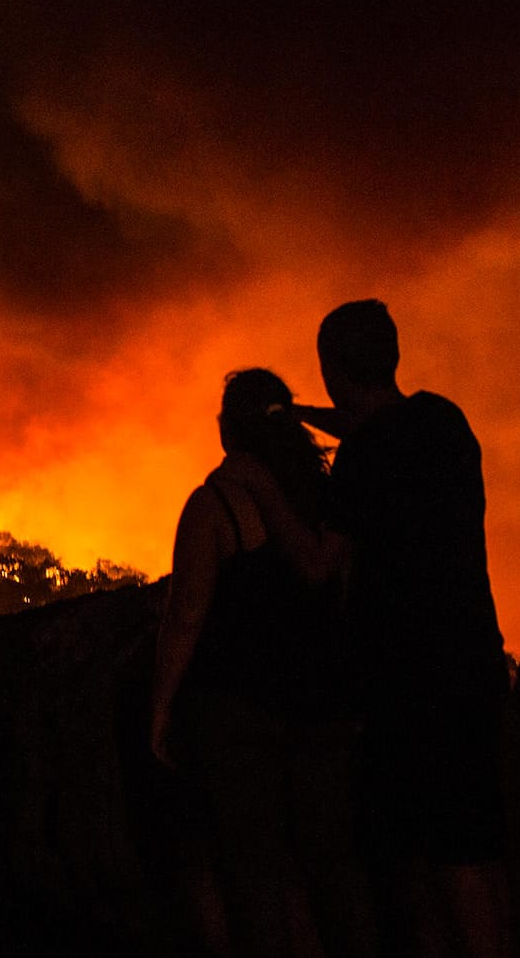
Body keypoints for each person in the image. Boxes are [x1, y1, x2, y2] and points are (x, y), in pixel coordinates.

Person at [224, 299, 510, 958]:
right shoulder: (443, 420)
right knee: (480, 845)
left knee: (439, 859)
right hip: (473, 660)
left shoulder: (362, 462)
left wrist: (261, 485)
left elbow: (320, 564)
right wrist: (298, 418)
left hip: (412, 680)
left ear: (331, 368)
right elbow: (377, 428)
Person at [150, 369, 374, 958]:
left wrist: (161, 707)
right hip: (324, 709)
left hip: (236, 714)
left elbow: (187, 614)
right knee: (331, 869)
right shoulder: (330, 498)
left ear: (229, 427)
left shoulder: (216, 503)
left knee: (252, 875)